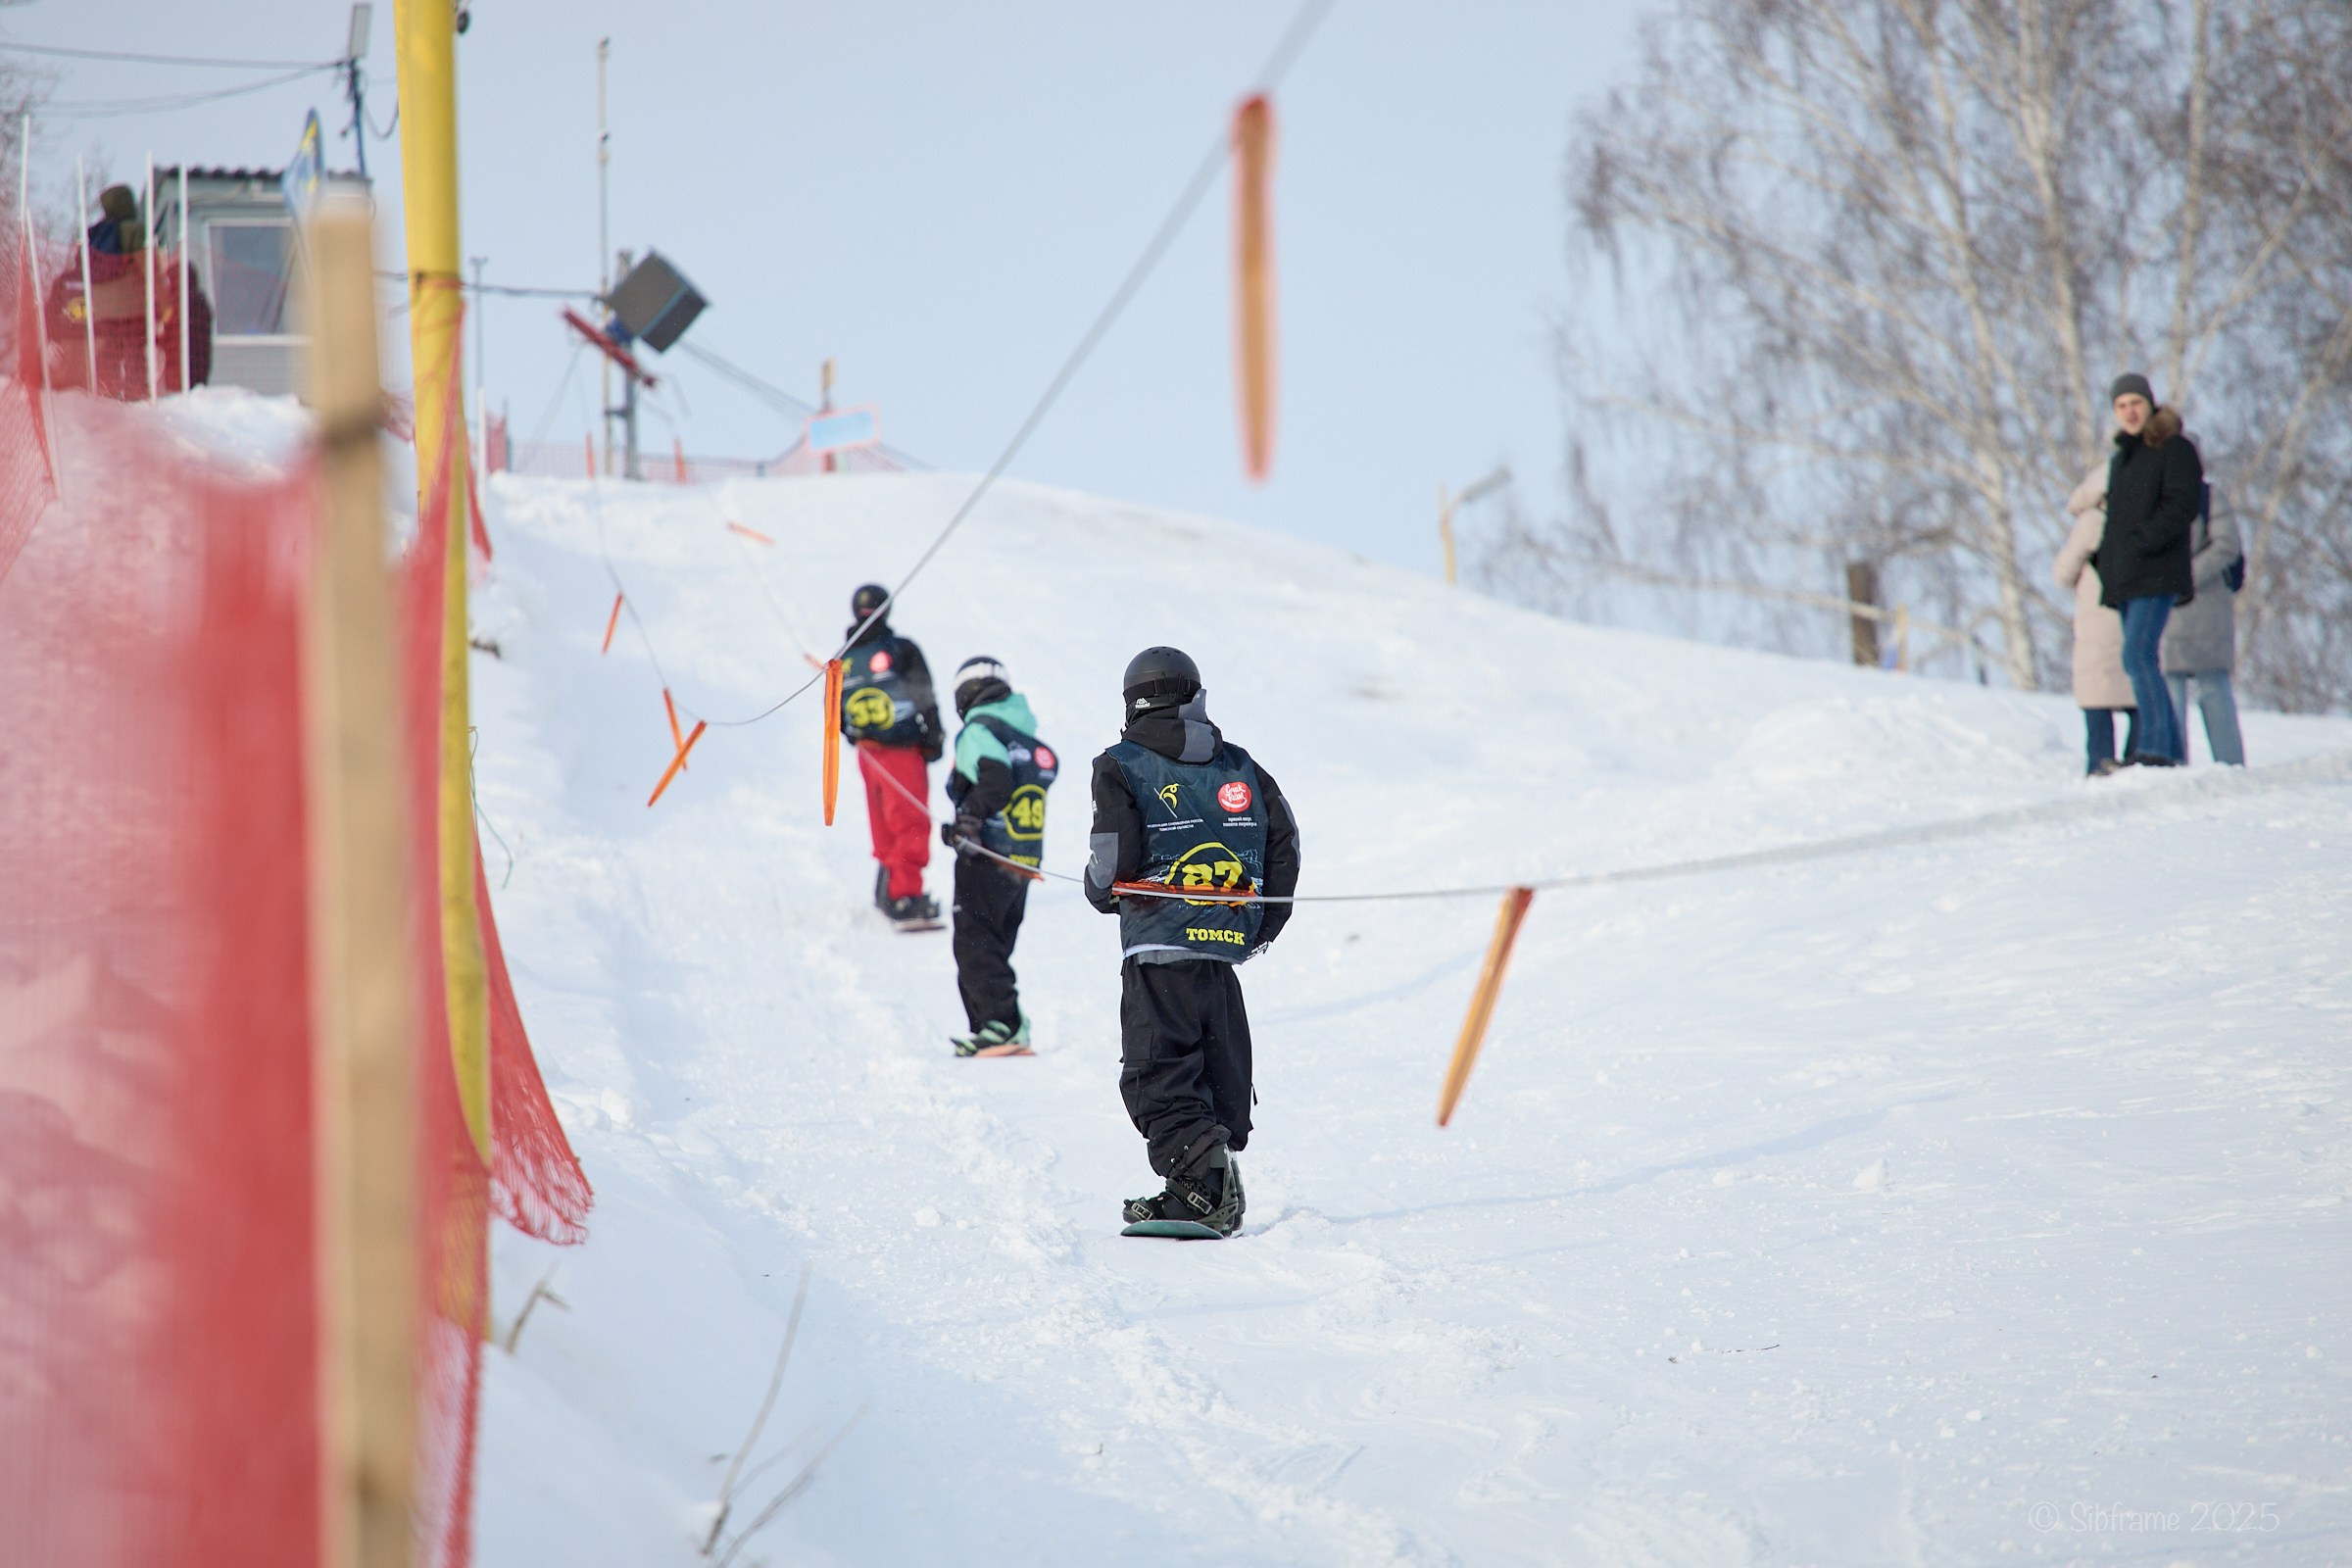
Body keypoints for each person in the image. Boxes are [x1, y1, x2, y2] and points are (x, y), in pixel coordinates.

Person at [1084, 647, 1299, 1238]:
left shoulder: (1119, 763)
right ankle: (1204, 1180)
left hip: (1157, 948)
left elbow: (1115, 853)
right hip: (1221, 947)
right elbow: (1285, 844)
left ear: (1133, 702)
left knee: (1157, 1067)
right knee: (1213, 1063)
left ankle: (1204, 1193)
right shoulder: (1241, 765)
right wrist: (1258, 927)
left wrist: (1100, 889)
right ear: (1195, 696)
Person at [941, 657, 1057, 1056]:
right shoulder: (1029, 739)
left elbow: (995, 780)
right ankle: (1006, 1024)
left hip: (987, 855)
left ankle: (1001, 1024)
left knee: (974, 941)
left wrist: (968, 820)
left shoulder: (979, 731)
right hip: (1022, 861)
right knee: (995, 943)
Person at [2097, 373, 2202, 766]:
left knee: (2138, 655)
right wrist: (2105, 562)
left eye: (2135, 403)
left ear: (2149, 404)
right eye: (2121, 406)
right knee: (2139, 658)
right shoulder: (2123, 458)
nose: (2129, 412)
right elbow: (2115, 521)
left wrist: (2145, 541)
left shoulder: (2174, 448)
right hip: (2126, 575)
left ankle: (2156, 750)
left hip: (2156, 570)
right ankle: (2169, 751)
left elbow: (2183, 504)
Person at [838, 584, 944, 929]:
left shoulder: (845, 658)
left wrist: (858, 736)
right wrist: (934, 736)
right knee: (911, 820)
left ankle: (888, 886)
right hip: (901, 750)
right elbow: (923, 694)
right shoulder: (901, 649)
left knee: (883, 821)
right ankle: (905, 896)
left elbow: (836, 714)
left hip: (867, 753)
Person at [2054, 462, 2138, 775]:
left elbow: (2062, 572)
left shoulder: (2092, 521)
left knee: (2097, 698)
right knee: (2137, 695)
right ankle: (2135, 763)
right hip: (2136, 615)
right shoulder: (2144, 518)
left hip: (2097, 619)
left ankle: (2099, 767)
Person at [2160, 487, 2246, 765]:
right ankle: (2229, 763)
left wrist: (2179, 578)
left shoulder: (2195, 497)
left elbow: (2226, 546)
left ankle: (2177, 764)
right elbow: (2228, 547)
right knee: (2199, 684)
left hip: (2191, 604)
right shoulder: (2208, 497)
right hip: (2198, 605)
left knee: (2199, 683)